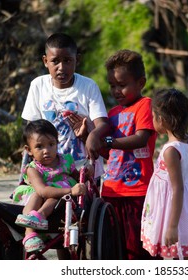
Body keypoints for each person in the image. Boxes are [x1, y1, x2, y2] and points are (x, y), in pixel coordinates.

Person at [20, 32, 109, 258]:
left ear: (76, 59)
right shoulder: (38, 86)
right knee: (46, 206)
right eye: (55, 61)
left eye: (67, 60)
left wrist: (90, 135)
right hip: (46, 166)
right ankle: (32, 235)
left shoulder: (87, 87)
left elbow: (102, 124)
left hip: (77, 168)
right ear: (45, 61)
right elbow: (31, 130)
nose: (61, 67)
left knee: (72, 223)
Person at [100, 49, 157, 260]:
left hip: (138, 190)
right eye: (112, 85)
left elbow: (141, 138)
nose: (116, 91)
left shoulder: (145, 105)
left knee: (138, 248)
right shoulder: (112, 114)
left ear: (140, 82)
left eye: (122, 85)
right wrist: (88, 136)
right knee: (115, 247)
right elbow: (107, 153)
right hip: (111, 190)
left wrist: (109, 141)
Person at [140, 88, 188, 260]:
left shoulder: (171, 150)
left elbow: (177, 188)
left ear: (161, 120)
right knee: (184, 252)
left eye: (153, 116)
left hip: (173, 210)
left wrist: (172, 226)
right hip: (187, 207)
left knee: (175, 253)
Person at [13, 119, 88, 253]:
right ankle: (29, 232)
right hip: (42, 195)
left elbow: (76, 176)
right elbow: (43, 191)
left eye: (51, 144)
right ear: (28, 150)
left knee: (55, 195)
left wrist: (86, 174)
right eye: (39, 147)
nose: (46, 150)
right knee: (39, 194)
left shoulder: (66, 160)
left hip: (62, 202)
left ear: (57, 143)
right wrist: (70, 190)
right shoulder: (32, 169)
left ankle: (39, 216)